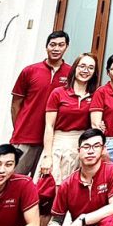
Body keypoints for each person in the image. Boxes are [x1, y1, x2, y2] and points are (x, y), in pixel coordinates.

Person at [10, 30, 71, 176]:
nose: (56, 49)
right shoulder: (29, 71)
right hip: (26, 137)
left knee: (43, 183)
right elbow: (15, 104)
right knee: (15, 179)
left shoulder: (71, 74)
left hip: (53, 141)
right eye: (52, 45)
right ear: (46, 47)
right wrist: (19, 128)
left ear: (66, 47)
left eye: (61, 45)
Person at [40, 53, 98, 183]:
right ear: (75, 68)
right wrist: (47, 156)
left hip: (82, 147)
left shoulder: (95, 95)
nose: (85, 70)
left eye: (90, 68)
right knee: (51, 185)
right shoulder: (58, 93)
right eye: (82, 66)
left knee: (74, 188)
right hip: (58, 144)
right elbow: (49, 126)